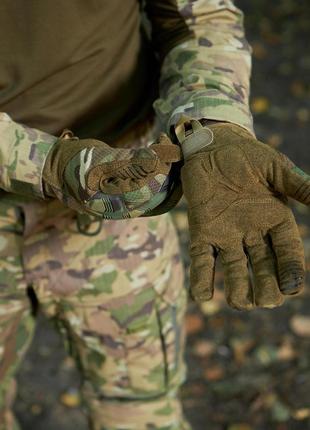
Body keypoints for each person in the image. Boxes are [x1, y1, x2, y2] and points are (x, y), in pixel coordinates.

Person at [0, 1, 309, 429]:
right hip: (87, 182)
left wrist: (212, 124)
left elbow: (200, 15)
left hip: (119, 199)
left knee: (143, 413)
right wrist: (47, 164)